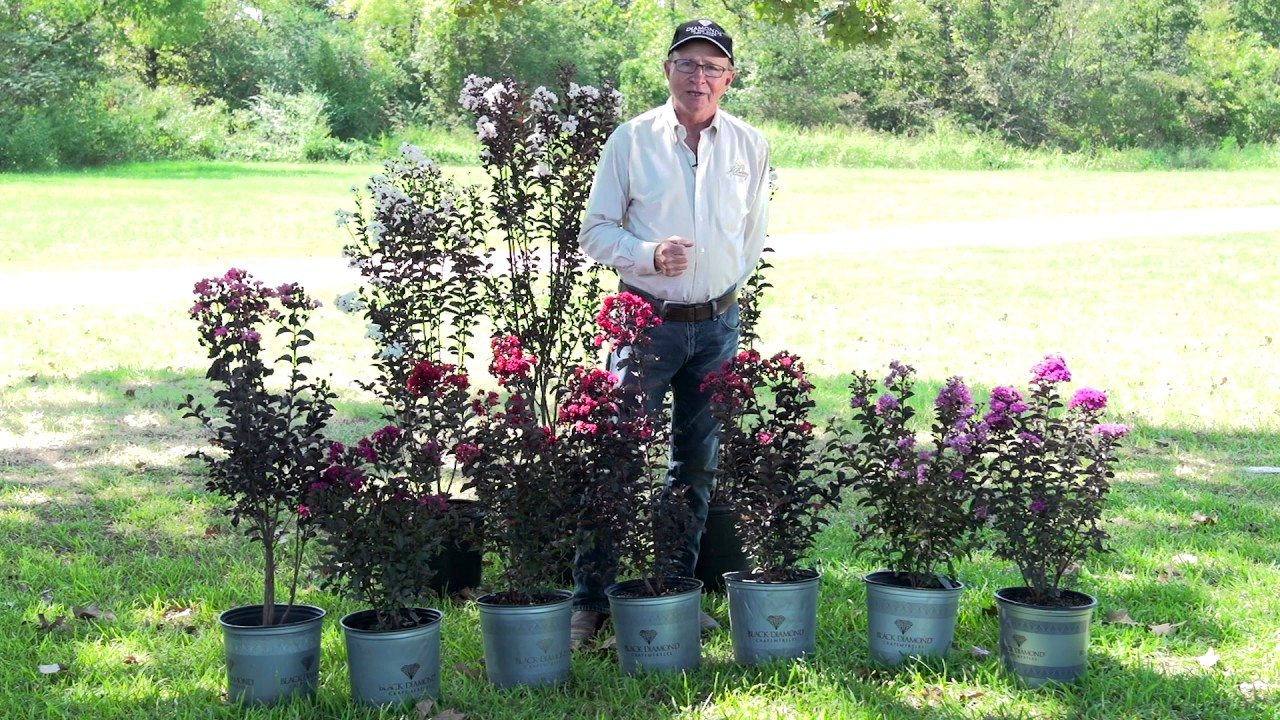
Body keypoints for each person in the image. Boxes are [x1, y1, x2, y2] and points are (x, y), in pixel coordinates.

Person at [571, 18, 771, 648]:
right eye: (688, 64)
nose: (699, 77)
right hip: (645, 323)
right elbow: (596, 231)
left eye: (713, 67)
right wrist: (652, 255)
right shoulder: (631, 141)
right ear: (667, 71)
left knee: (696, 465)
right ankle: (590, 601)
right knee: (618, 458)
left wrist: (717, 288)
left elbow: (751, 235)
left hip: (716, 326)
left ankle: (675, 591)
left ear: (729, 79)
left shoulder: (750, 145)